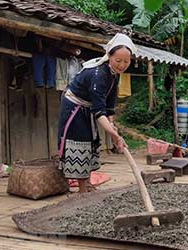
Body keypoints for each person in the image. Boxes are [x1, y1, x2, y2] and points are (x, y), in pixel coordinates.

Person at [57, 33, 136, 193]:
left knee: (91, 141)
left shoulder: (114, 75)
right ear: (109, 57)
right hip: (75, 108)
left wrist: (112, 125)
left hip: (88, 108)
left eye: (126, 61)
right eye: (118, 60)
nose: (122, 65)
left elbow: (109, 104)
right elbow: (99, 112)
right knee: (80, 143)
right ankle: (82, 190)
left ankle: (86, 184)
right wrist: (115, 136)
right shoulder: (99, 74)